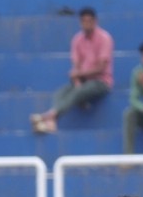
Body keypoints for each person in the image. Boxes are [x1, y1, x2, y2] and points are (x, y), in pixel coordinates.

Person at [31, 7, 114, 135]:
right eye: (84, 21)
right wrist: (77, 81)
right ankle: (52, 120)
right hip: (82, 81)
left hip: (101, 82)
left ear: (95, 21)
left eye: (89, 21)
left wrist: (79, 76)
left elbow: (101, 68)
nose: (86, 24)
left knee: (81, 90)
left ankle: (50, 116)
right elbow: (76, 66)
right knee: (61, 92)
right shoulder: (77, 39)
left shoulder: (104, 38)